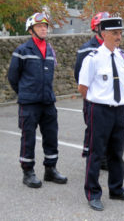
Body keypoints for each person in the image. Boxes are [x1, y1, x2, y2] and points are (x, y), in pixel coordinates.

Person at [78, 17, 124, 211]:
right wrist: (98, 100)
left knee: (117, 153)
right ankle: (93, 193)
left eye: (120, 33)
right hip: (100, 110)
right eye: (114, 33)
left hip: (119, 109)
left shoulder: (123, 57)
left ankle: (116, 189)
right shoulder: (92, 58)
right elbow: (82, 87)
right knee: (96, 153)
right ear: (103, 35)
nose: (119, 37)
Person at [8, 12, 68, 189]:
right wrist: (25, 93)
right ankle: (28, 173)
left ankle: (50, 169)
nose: (44, 29)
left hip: (48, 101)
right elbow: (13, 77)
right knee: (29, 138)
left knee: (51, 137)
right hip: (29, 103)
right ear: (31, 30)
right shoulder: (21, 51)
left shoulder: (50, 50)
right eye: (40, 26)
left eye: (45, 26)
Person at [74, 12, 110, 170]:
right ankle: (92, 157)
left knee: (108, 128)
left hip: (108, 97)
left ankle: (103, 158)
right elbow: (79, 75)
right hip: (93, 98)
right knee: (93, 129)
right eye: (103, 25)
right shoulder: (86, 49)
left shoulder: (113, 48)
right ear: (96, 28)